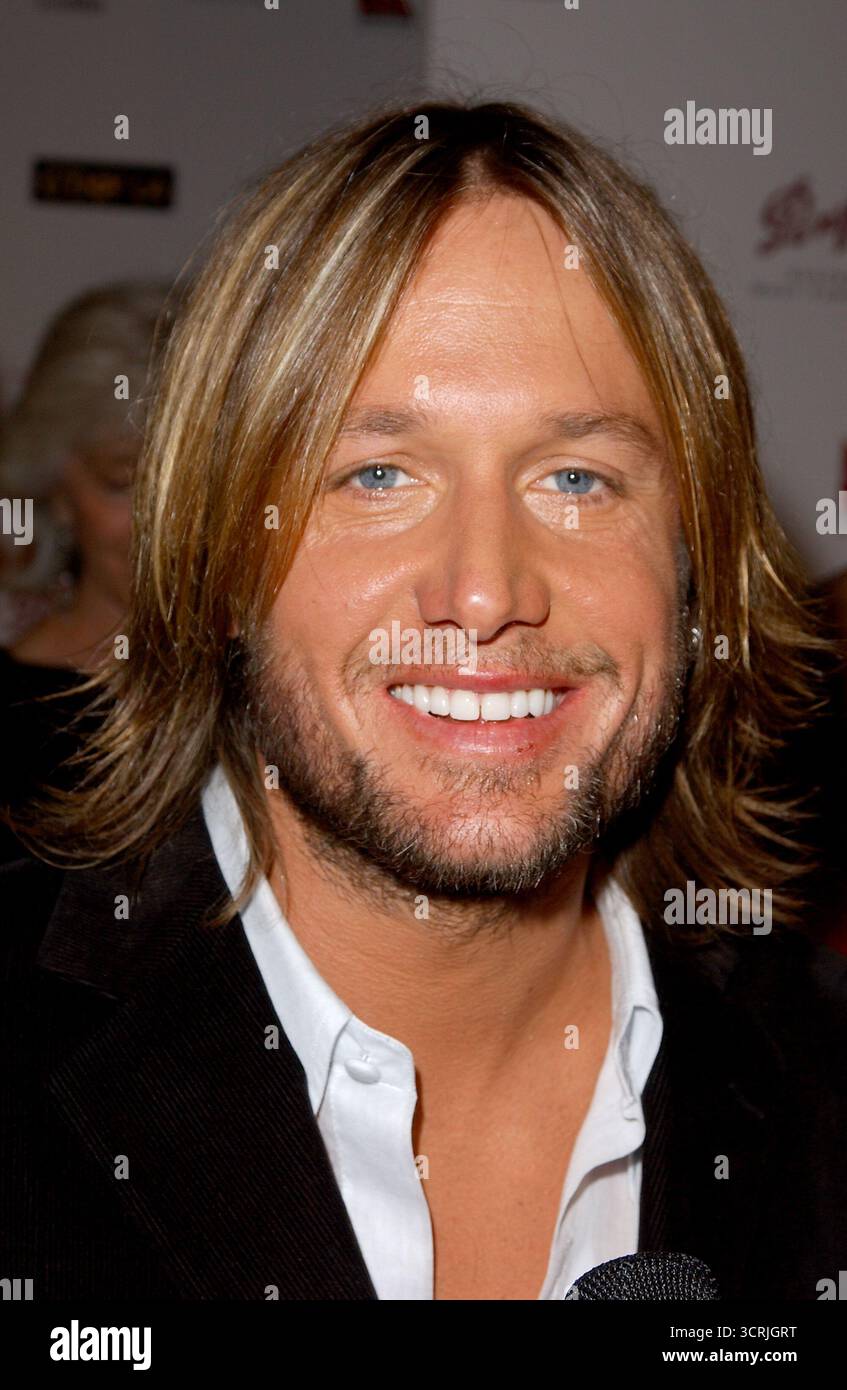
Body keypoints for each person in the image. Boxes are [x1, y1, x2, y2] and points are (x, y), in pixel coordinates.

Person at [2, 100, 846, 1302]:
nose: (487, 590)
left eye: (576, 477)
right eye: (378, 473)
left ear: (692, 560)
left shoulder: (813, 1084)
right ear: (223, 560)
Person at [0, 282, 171, 860]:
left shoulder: (267, 696)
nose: (159, 521)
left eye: (187, 481)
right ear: (58, 491)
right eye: (122, 481)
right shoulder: (14, 719)